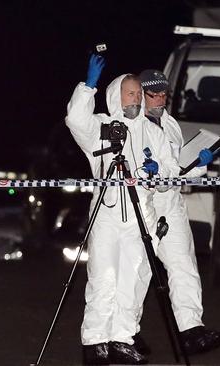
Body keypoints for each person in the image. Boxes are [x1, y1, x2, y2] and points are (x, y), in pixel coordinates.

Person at [66, 55, 178, 365]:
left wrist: (158, 171)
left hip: (142, 215)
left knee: (134, 280)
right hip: (107, 214)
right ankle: (96, 342)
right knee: (104, 278)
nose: (137, 98)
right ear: (116, 95)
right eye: (130, 93)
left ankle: (122, 338)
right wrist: (88, 86)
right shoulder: (101, 126)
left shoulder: (153, 132)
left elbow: (170, 172)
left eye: (139, 93)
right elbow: (76, 120)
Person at [137, 69, 220, 355]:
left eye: (164, 94)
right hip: (142, 204)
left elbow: (177, 170)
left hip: (171, 204)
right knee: (137, 272)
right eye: (154, 94)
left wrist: (199, 165)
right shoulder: (130, 126)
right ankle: (125, 332)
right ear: (140, 95)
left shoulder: (171, 124)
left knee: (184, 267)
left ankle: (191, 330)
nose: (160, 99)